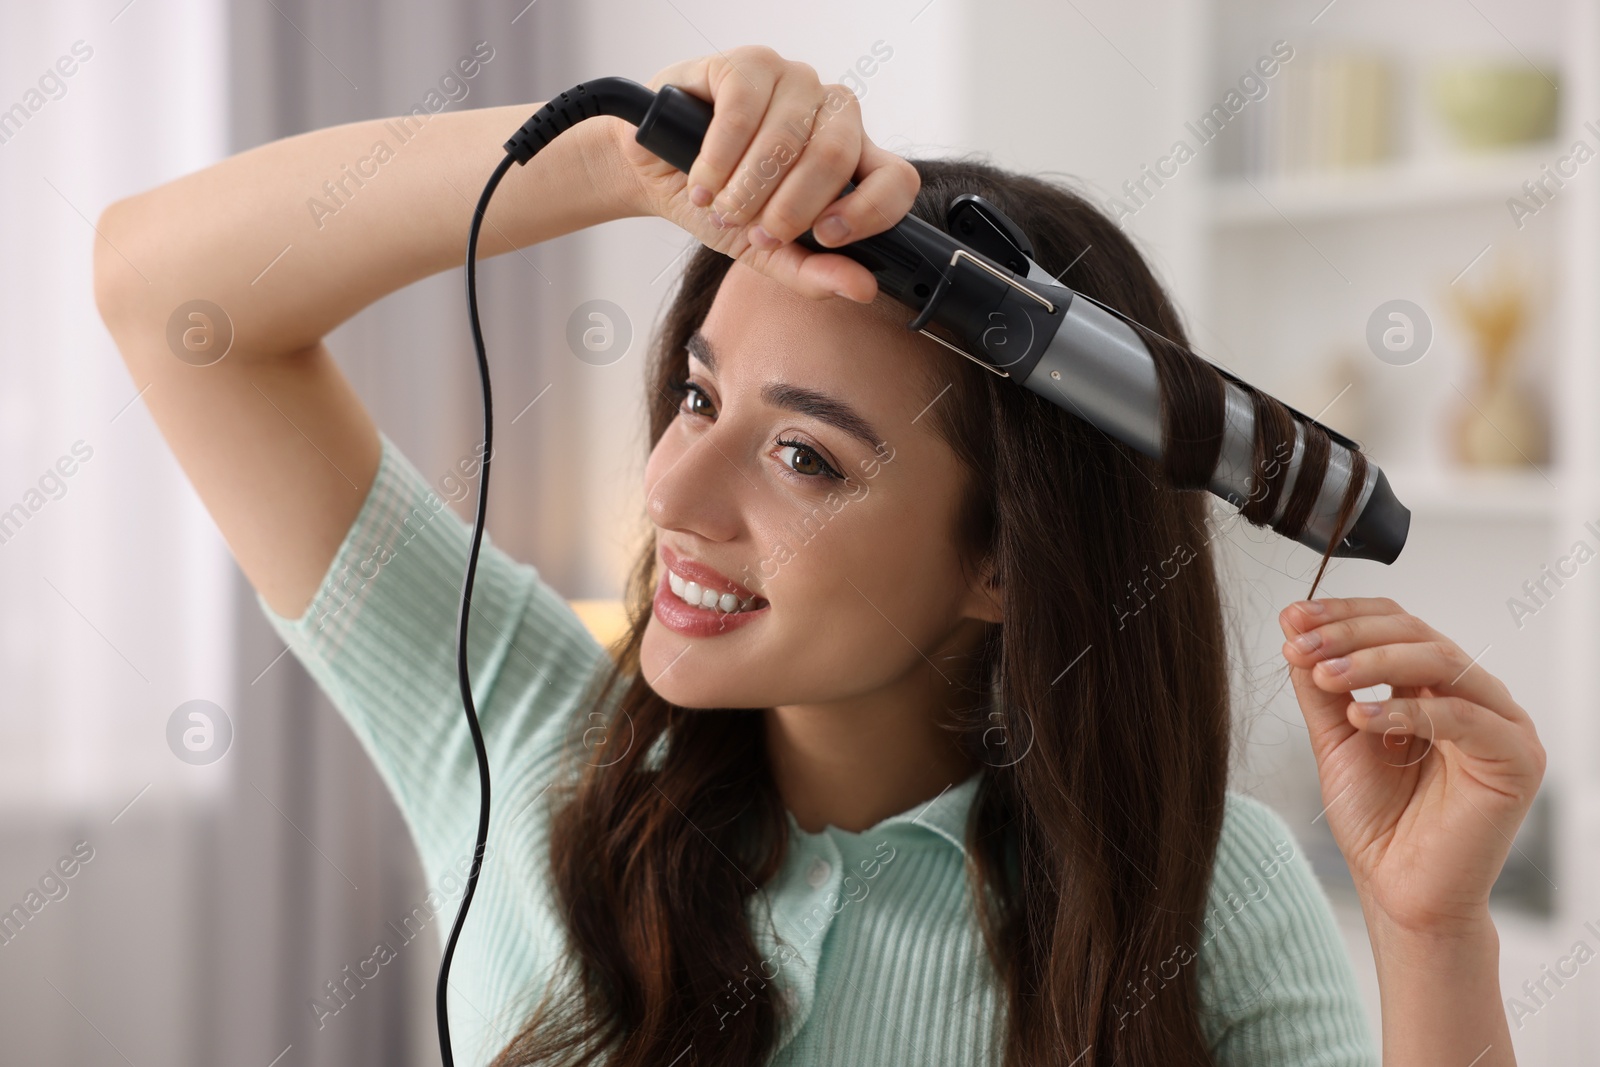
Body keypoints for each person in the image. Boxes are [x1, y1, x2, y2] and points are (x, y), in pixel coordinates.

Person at [93, 44, 1544, 1067]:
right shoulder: (526, 733)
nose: (671, 487)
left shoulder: (1197, 887)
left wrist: (1431, 934)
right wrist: (619, 157)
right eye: (700, 396)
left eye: (806, 457)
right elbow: (168, 298)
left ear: (1004, 564)